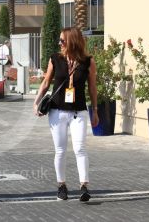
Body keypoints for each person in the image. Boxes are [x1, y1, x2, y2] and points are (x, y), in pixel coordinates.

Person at [33, 27, 99, 202]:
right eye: (59, 41)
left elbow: (92, 87)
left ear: (72, 41)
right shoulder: (56, 59)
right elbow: (46, 81)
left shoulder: (88, 61)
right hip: (57, 111)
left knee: (80, 148)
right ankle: (61, 185)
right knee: (60, 150)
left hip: (79, 111)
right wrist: (37, 100)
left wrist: (95, 110)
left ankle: (84, 186)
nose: (60, 43)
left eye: (62, 41)